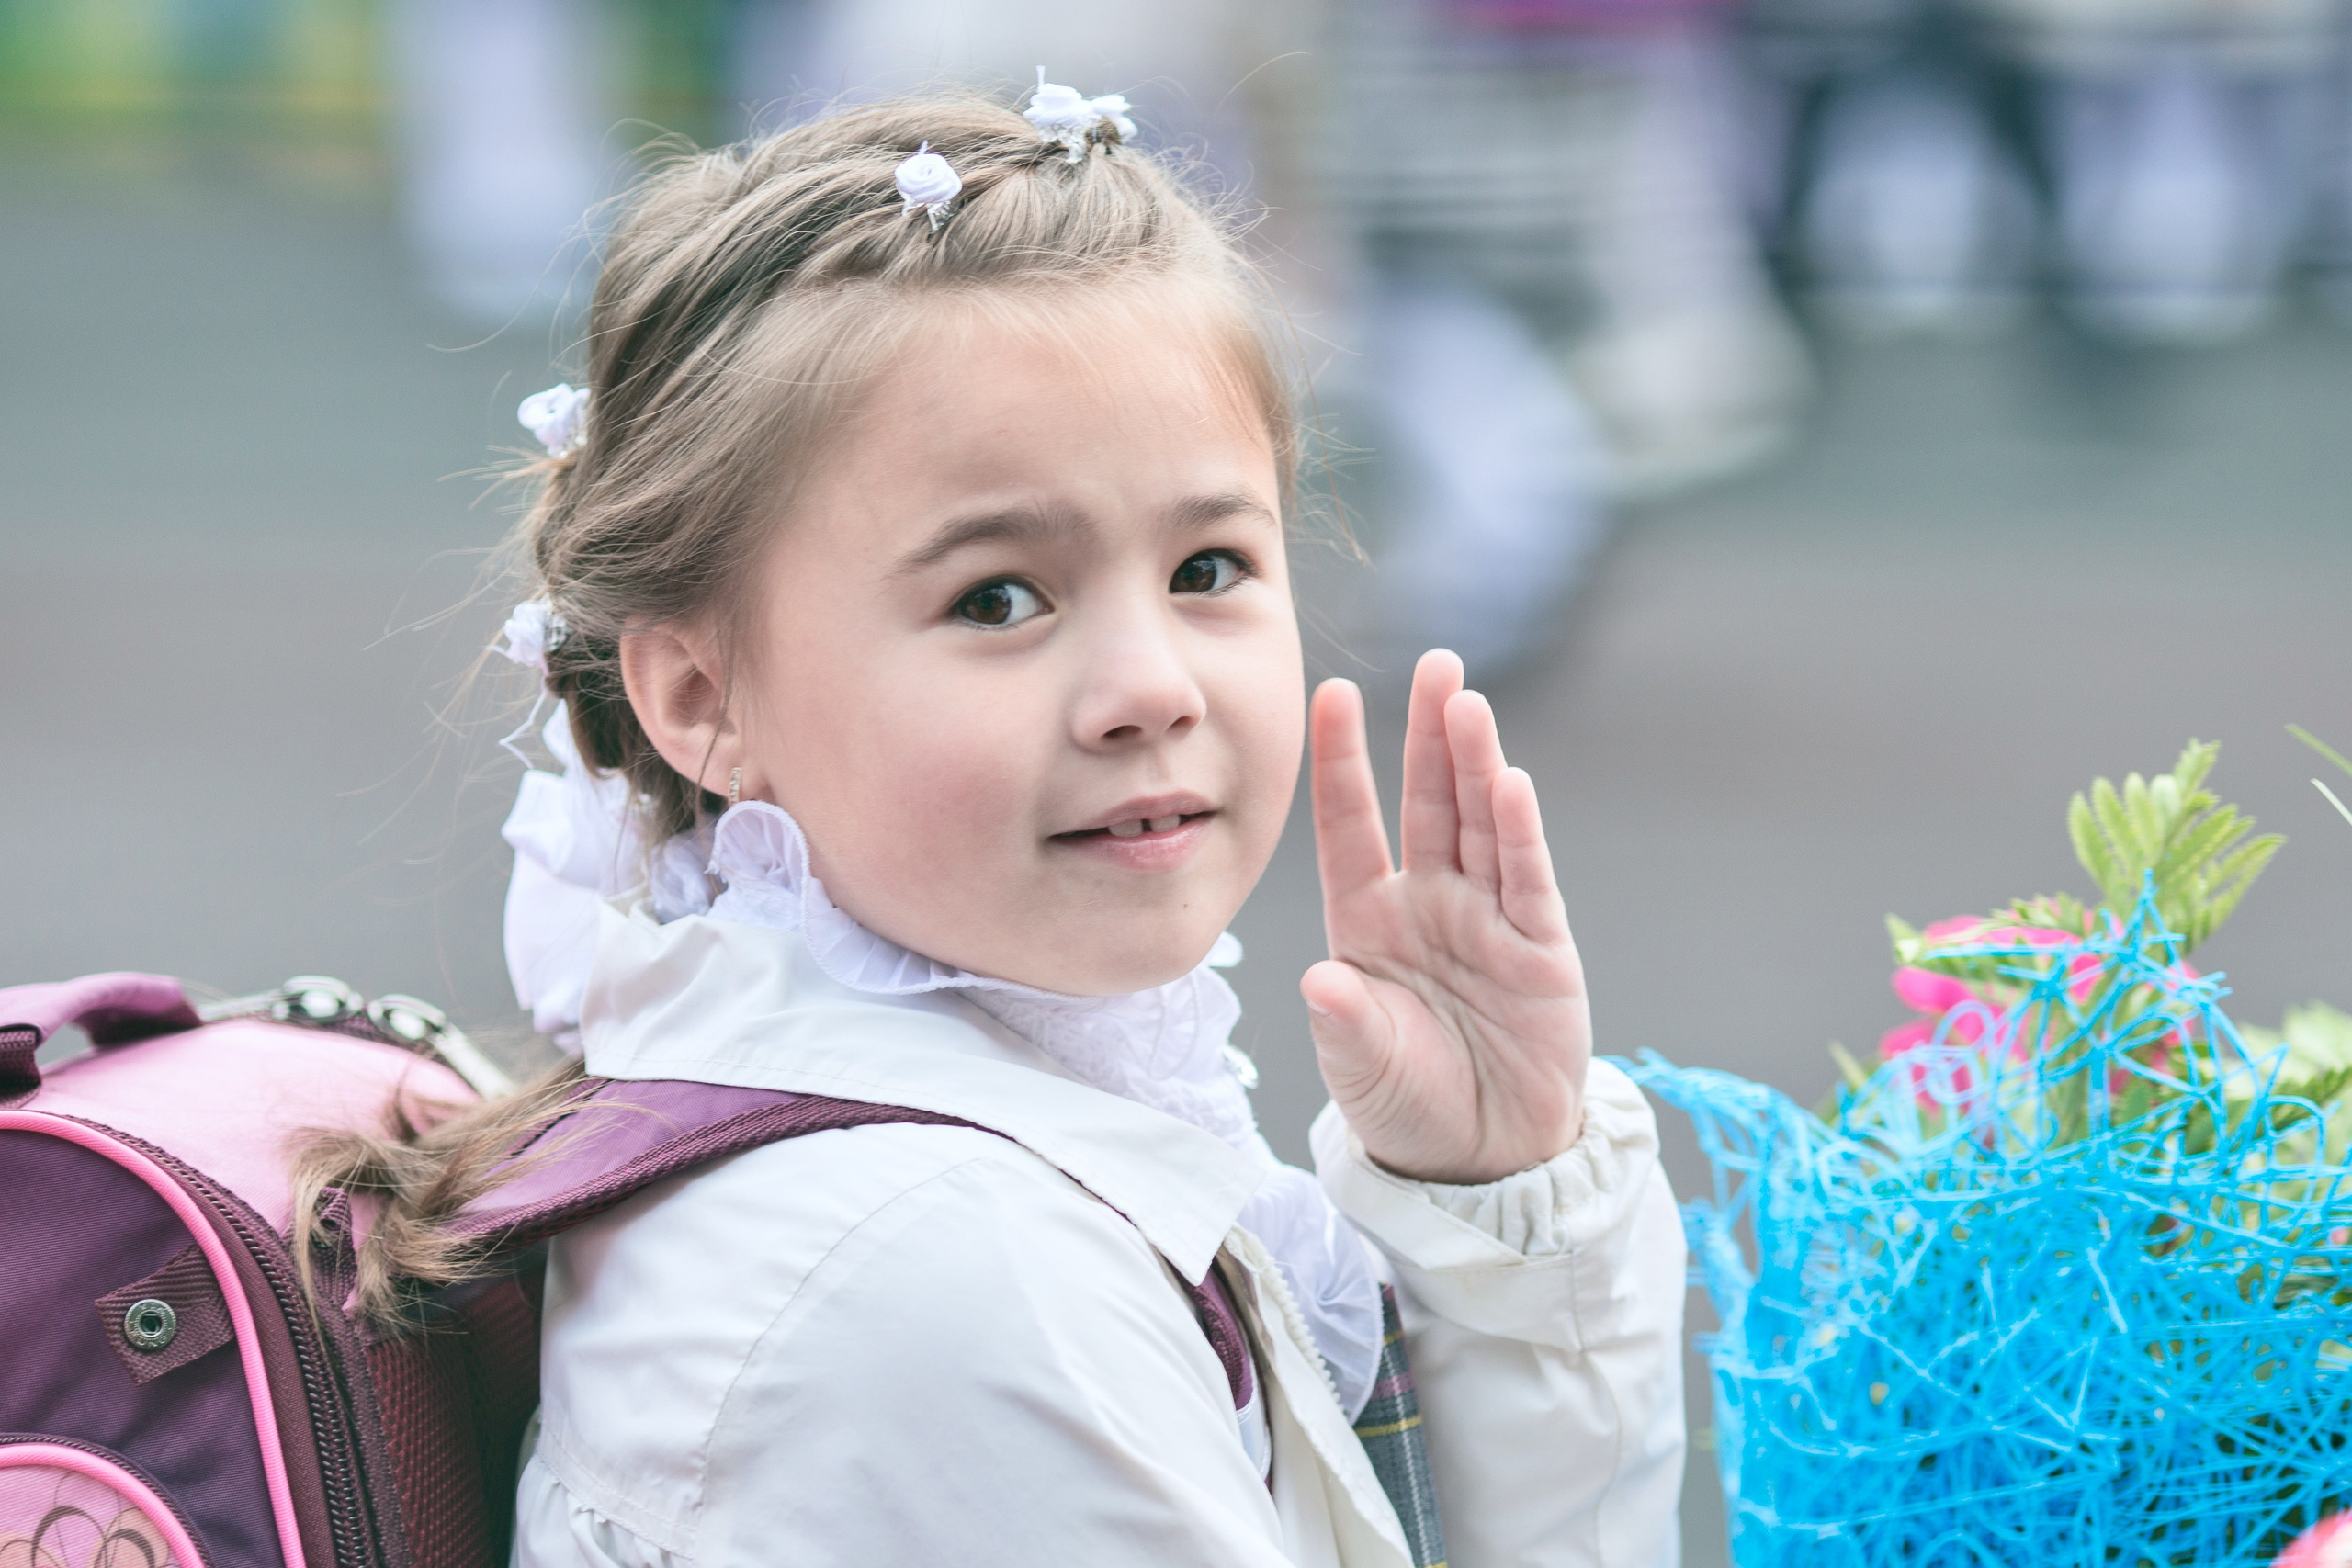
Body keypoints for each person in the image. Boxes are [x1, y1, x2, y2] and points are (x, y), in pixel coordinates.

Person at [317, 86, 1685, 1568]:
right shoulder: (947, 1271)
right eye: (998, 599)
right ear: (704, 698)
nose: (1150, 689)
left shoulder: (906, 1129)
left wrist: (1494, 1207)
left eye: (1209, 567)